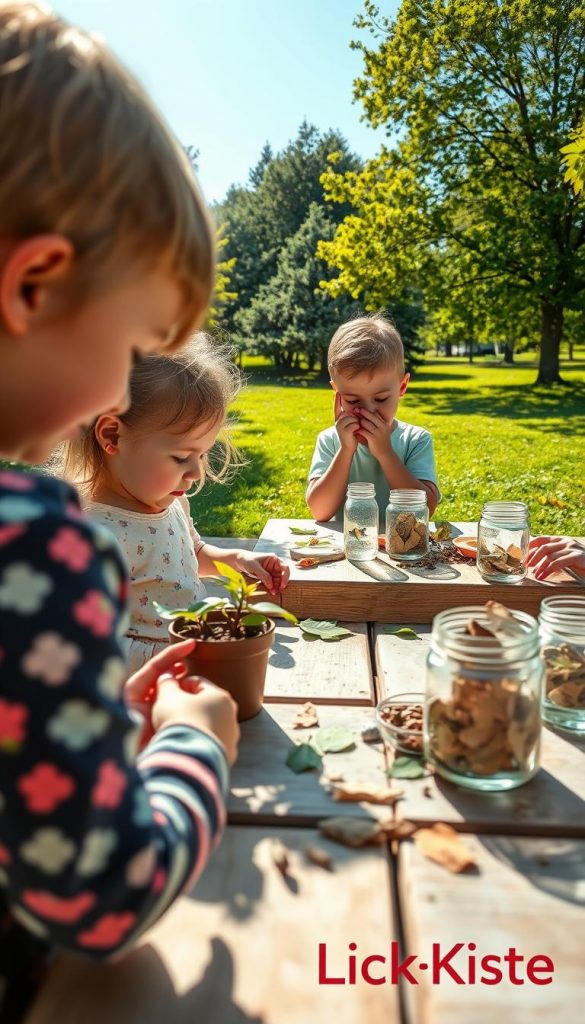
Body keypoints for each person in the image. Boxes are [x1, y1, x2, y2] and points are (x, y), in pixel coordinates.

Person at [0, 5, 238, 1019]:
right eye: (137, 343)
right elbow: (99, 897)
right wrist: (199, 741)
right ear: (37, 282)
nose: (119, 396)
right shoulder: (40, 548)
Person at [58, 336, 290, 675]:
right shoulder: (95, 537)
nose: (196, 472)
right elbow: (89, 647)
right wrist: (174, 658)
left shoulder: (171, 503)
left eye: (203, 454)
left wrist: (238, 560)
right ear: (112, 437)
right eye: (182, 457)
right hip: (148, 695)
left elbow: (190, 555)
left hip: (193, 666)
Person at [306, 313, 440, 524]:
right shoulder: (330, 440)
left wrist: (385, 453)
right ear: (337, 392)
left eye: (380, 398)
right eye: (352, 400)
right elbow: (320, 512)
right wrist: (346, 450)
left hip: (402, 550)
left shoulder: (415, 440)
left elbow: (426, 510)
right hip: (351, 549)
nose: (368, 411)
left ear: (402, 387)